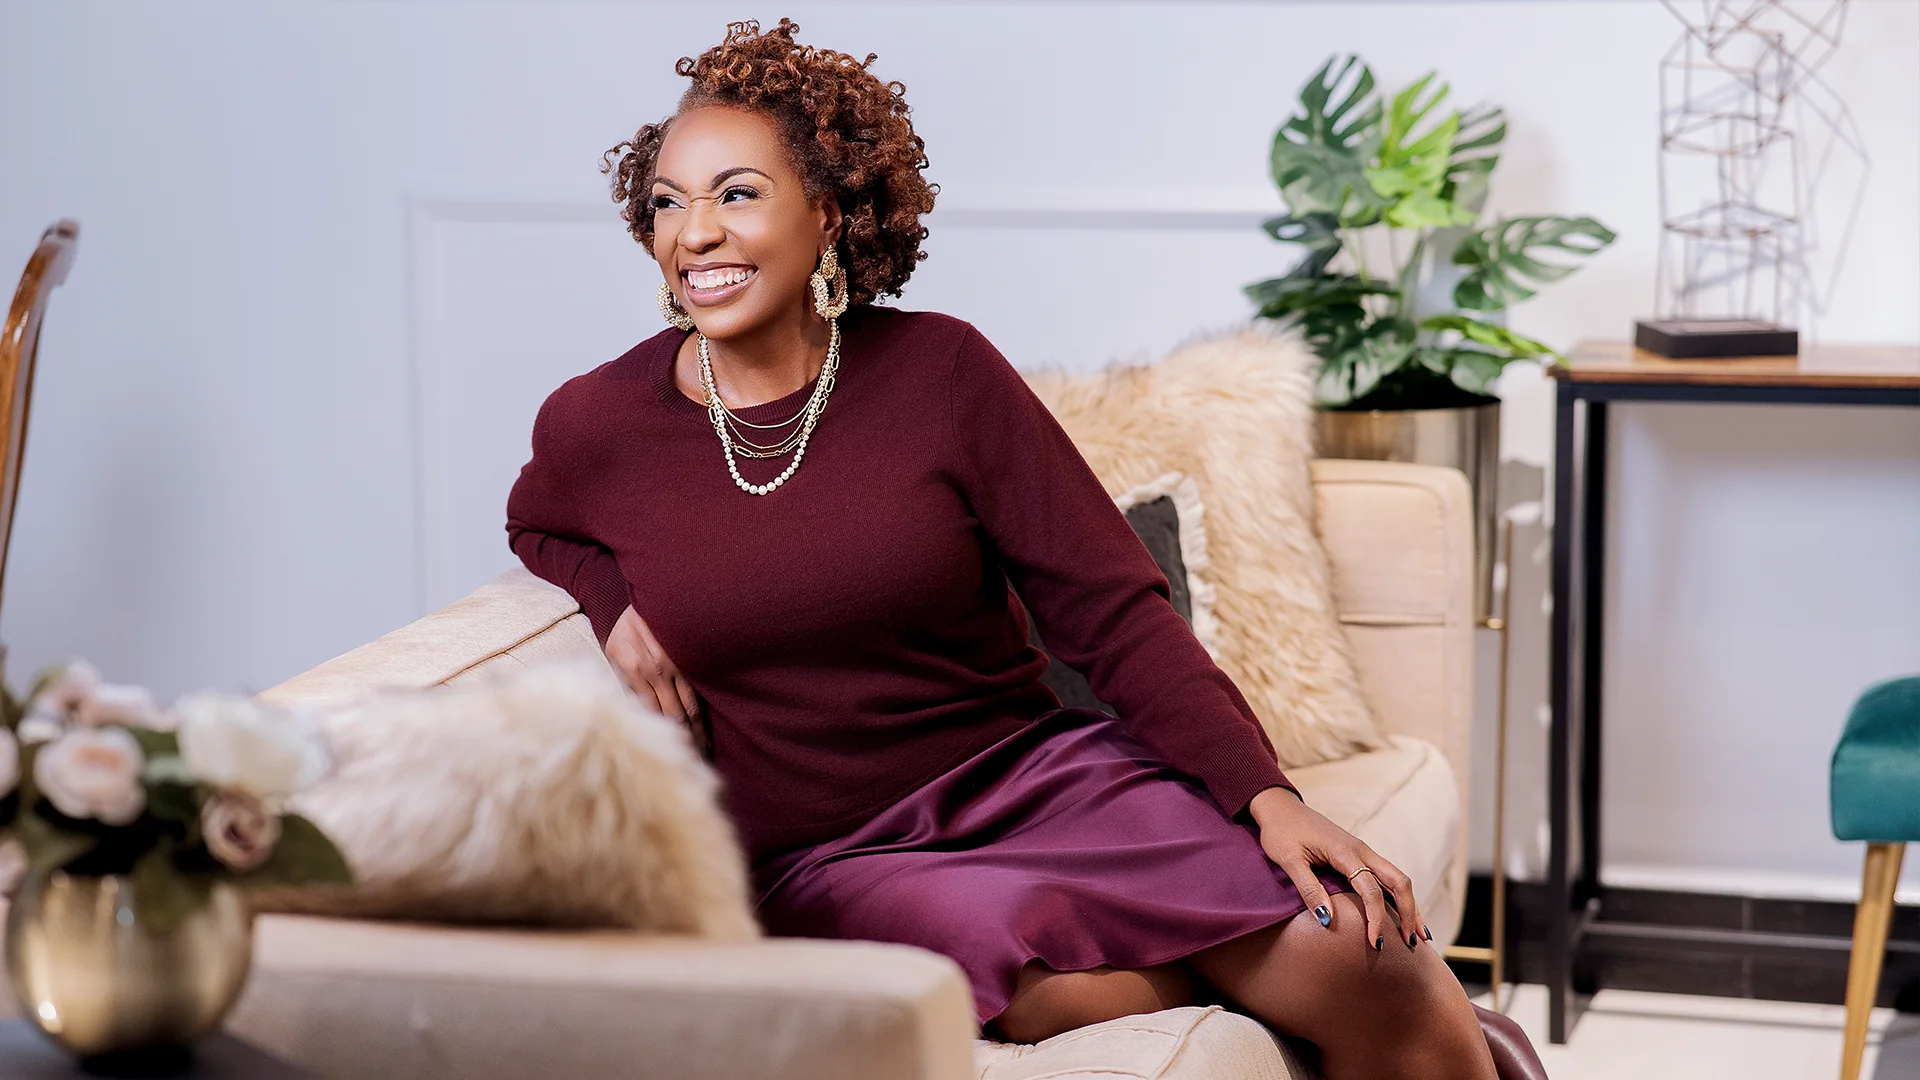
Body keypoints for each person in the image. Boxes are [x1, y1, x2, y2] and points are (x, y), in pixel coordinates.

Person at [505, 19, 1545, 1080]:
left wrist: (1267, 797)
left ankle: (1471, 1050)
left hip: (1029, 774)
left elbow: (1111, 608)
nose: (696, 234)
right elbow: (533, 519)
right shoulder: (600, 425)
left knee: (1365, 949)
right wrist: (609, 601)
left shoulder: (943, 374)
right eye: (668, 202)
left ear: (824, 212)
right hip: (832, 855)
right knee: (1059, 991)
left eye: (736, 194)